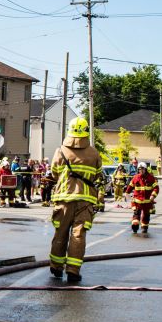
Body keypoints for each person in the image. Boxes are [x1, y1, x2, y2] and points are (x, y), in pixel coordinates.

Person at [45, 116, 102, 283]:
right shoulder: (94, 153)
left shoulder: (60, 151)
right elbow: (98, 175)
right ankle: (73, 270)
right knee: (78, 235)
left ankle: (56, 267)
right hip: (85, 200)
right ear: (86, 132)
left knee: (60, 232)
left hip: (63, 198)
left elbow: (54, 173)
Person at [124, 162, 159, 234]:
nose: (141, 171)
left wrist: (153, 196)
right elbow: (130, 186)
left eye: (143, 169)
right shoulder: (136, 177)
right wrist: (127, 193)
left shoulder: (151, 178)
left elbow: (156, 188)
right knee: (136, 215)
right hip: (137, 202)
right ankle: (135, 227)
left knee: (146, 216)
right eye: (140, 169)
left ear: (145, 169)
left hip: (147, 202)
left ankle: (144, 228)